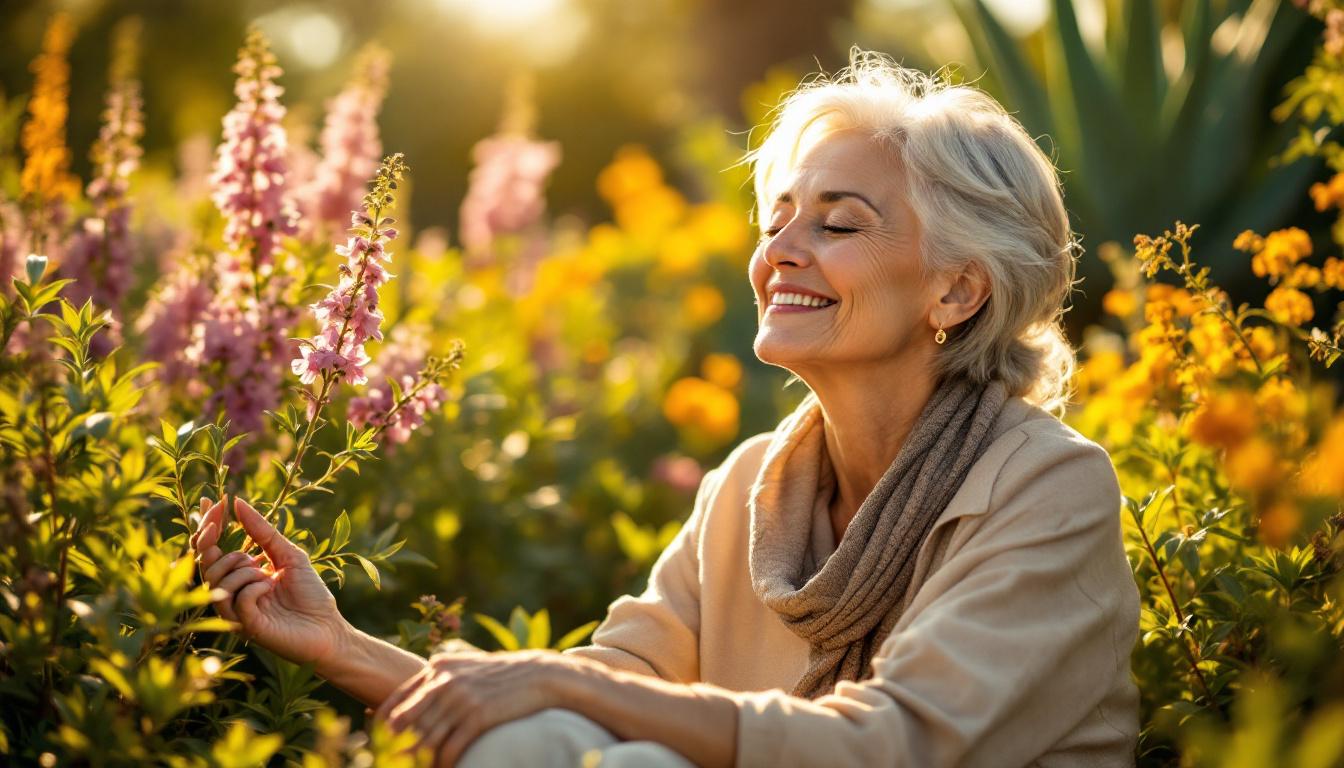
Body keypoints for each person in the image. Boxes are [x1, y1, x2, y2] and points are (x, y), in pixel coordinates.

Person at [192, 48, 1140, 767]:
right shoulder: (753, 489)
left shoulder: (1049, 486)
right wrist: (341, 646)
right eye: (777, 221)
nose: (780, 253)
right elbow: (599, 694)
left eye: (839, 224)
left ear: (957, 292)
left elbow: (890, 744)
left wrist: (559, 684)